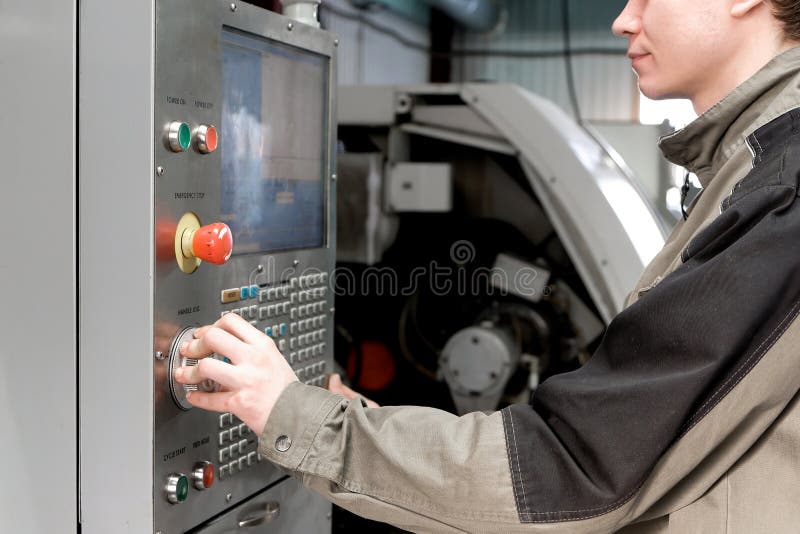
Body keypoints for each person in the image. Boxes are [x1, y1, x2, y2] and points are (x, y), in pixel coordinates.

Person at [174, 0, 800, 531]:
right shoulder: (751, 168)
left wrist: (295, 414)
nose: (621, 19)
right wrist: (364, 425)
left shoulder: (782, 186)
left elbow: (572, 469)